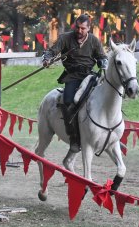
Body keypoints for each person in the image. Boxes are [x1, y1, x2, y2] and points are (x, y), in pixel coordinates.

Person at [42, 14, 108, 152]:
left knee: (105, 99)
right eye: (77, 27)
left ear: (88, 28)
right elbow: (52, 51)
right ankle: (74, 138)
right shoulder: (65, 38)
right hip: (72, 76)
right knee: (68, 100)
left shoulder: (94, 41)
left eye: (83, 28)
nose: (79, 31)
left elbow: (102, 57)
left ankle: (110, 136)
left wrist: (103, 62)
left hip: (89, 76)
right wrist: (47, 59)